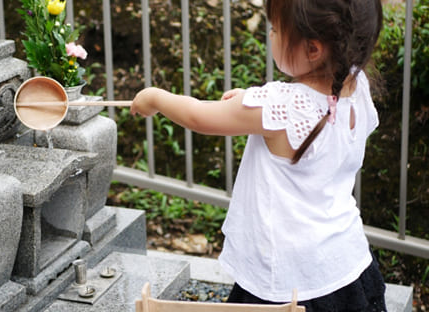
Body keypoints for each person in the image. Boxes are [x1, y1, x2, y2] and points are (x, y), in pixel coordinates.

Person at [130, 0, 386, 311]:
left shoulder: (280, 103)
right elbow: (302, 119)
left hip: (289, 282)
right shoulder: (356, 85)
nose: (271, 34)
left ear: (313, 49)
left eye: (277, 29)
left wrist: (155, 97)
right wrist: (250, 105)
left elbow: (199, 116)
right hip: (349, 265)